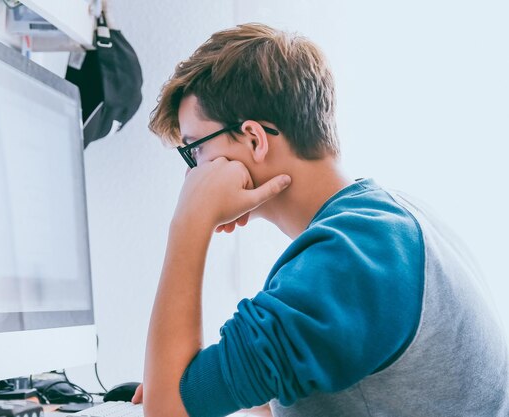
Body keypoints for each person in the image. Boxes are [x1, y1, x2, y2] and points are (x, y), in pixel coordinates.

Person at [132, 23, 509, 416]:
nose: (192, 177)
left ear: (254, 139)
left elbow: (167, 412)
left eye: (194, 151)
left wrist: (189, 223)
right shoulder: (383, 227)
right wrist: (193, 382)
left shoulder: (353, 258)